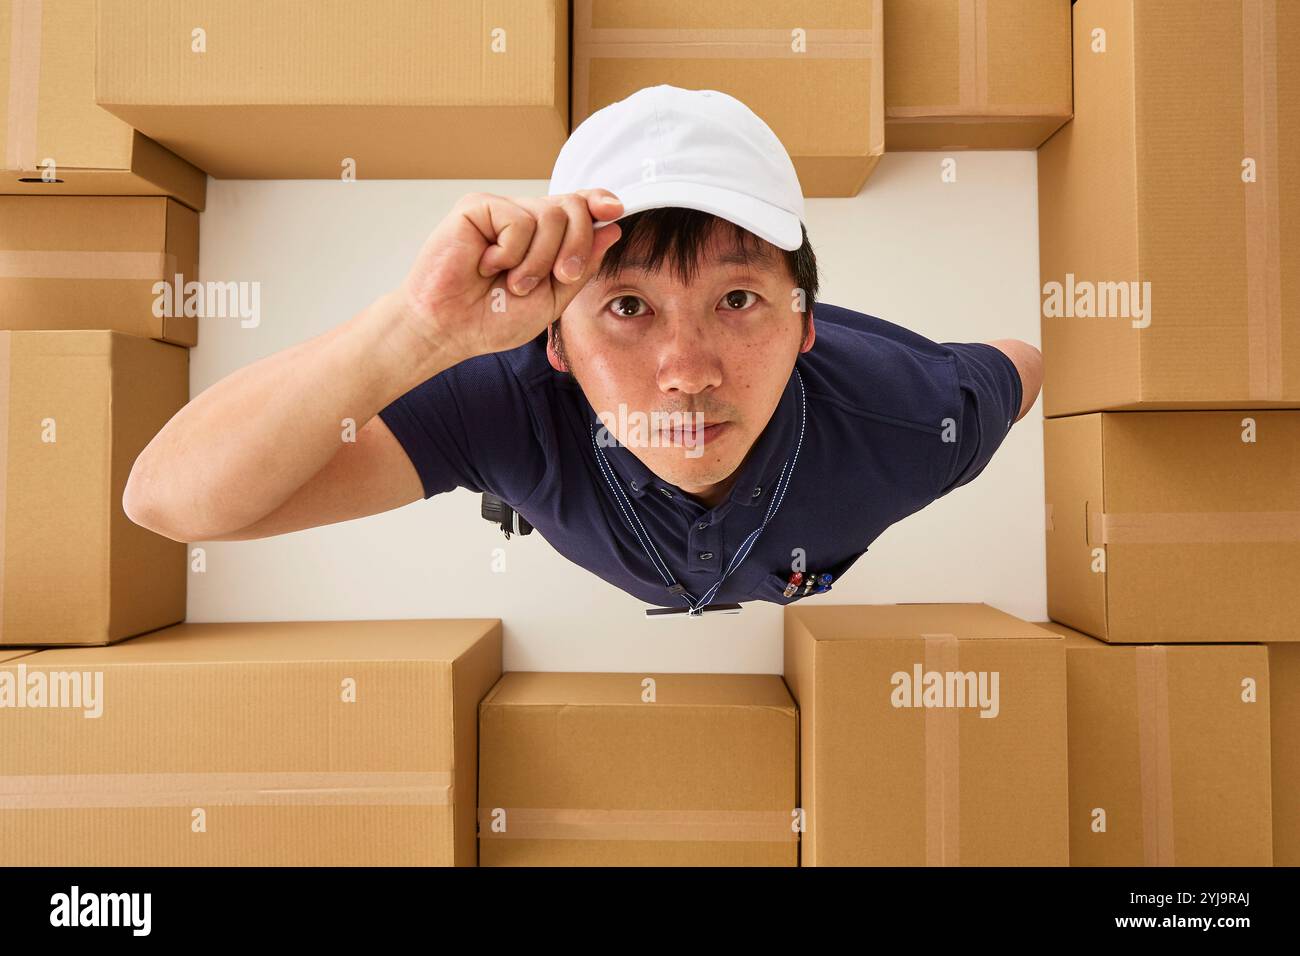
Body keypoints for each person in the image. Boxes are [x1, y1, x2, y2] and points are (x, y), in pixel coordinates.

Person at [124, 84, 1042, 616]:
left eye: (737, 298)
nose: (687, 370)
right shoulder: (503, 399)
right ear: (554, 340)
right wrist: (421, 331)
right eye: (630, 305)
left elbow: (1025, 364)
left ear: (805, 323)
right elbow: (169, 502)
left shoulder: (919, 415)